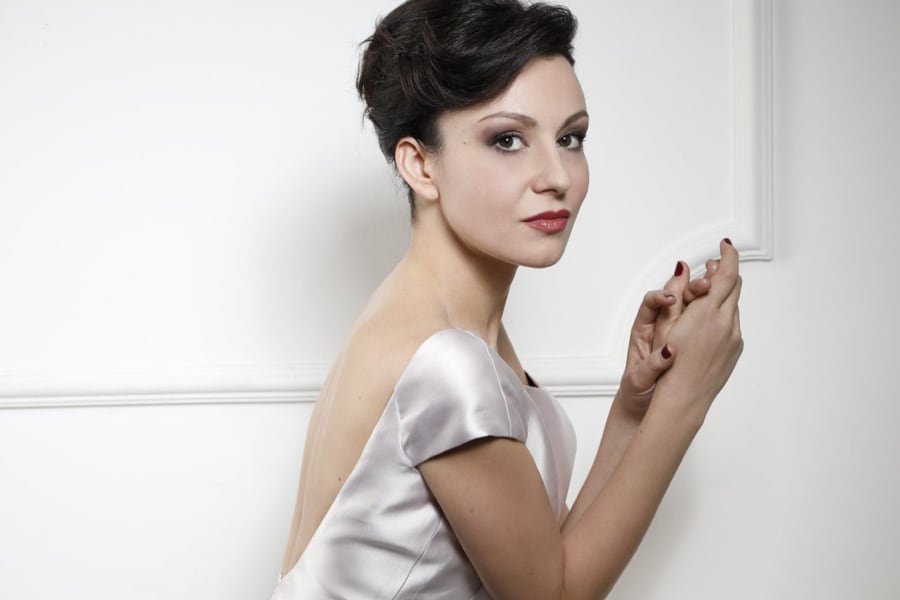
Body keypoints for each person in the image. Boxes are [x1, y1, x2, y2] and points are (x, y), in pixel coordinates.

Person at [271, 0, 743, 598]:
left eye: (570, 138)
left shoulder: (444, 327)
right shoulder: (444, 363)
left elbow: (551, 561)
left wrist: (636, 407)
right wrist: (686, 399)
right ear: (420, 165)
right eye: (509, 140)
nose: (558, 176)